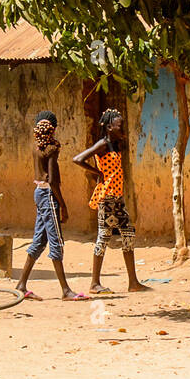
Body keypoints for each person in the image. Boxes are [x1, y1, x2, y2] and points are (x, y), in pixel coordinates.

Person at [73, 109, 149, 294]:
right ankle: (94, 283)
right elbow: (78, 159)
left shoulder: (115, 144)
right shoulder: (103, 144)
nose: (121, 127)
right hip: (107, 198)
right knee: (104, 237)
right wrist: (98, 173)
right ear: (109, 127)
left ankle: (133, 282)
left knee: (128, 234)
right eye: (118, 124)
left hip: (117, 197)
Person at [15, 112, 88, 301]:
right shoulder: (52, 149)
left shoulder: (36, 147)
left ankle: (21, 285)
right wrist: (63, 206)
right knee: (56, 242)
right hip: (48, 195)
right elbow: (53, 181)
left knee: (39, 241)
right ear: (54, 129)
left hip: (39, 194)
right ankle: (65, 290)